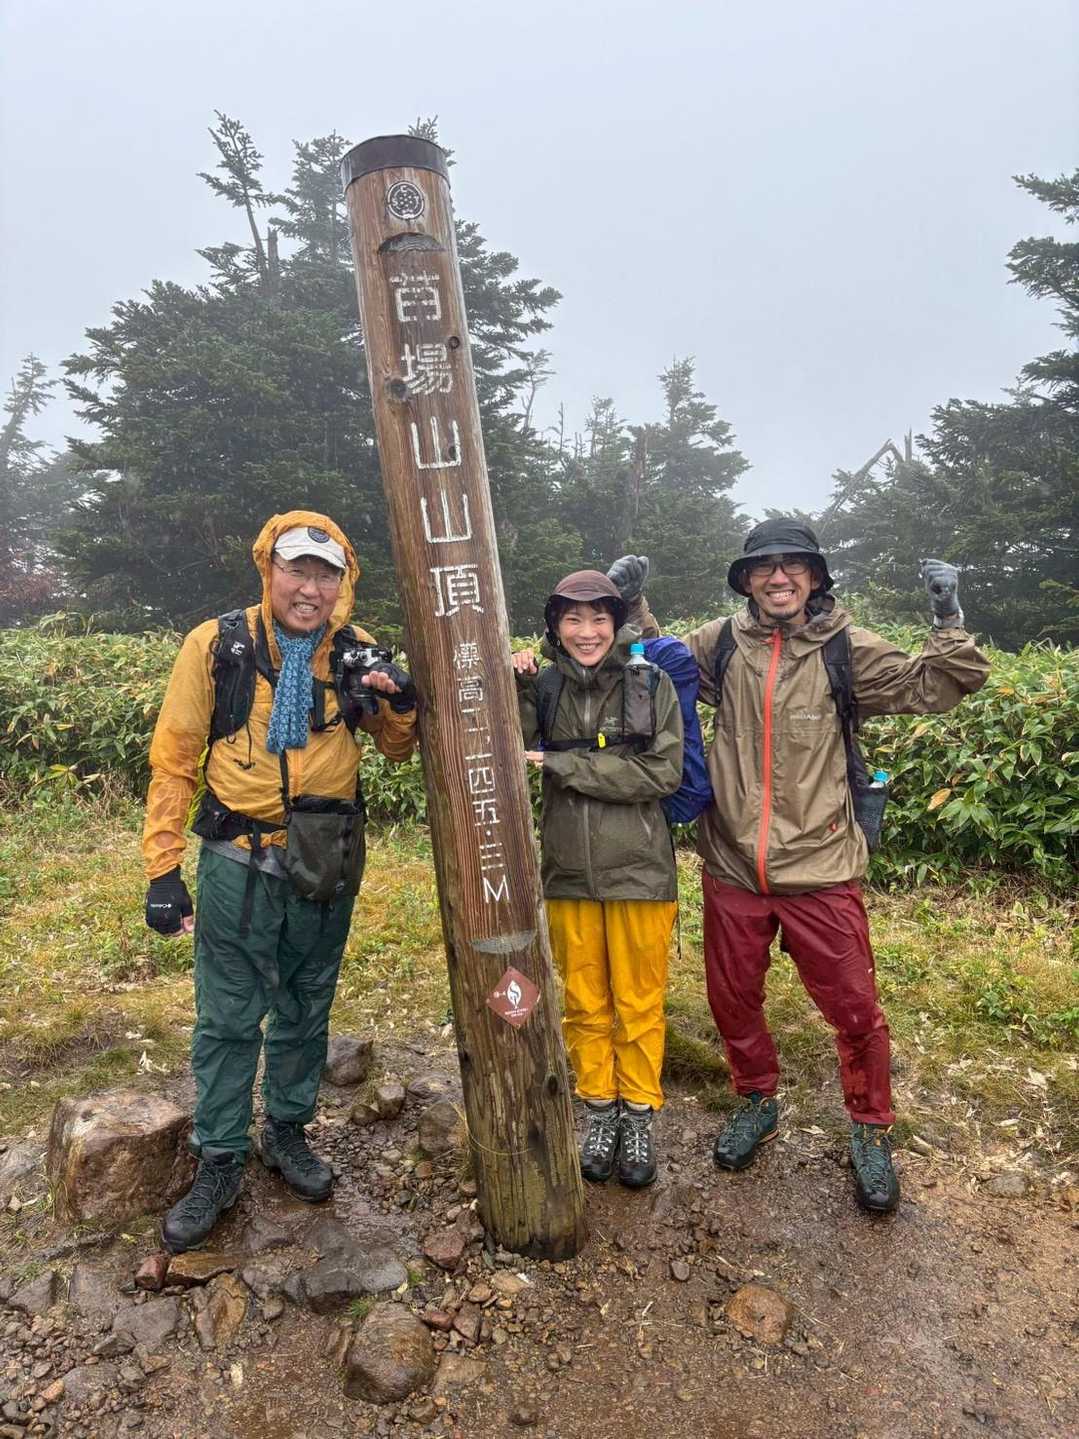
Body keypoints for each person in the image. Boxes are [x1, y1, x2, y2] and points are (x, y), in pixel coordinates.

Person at [607, 521, 989, 1212]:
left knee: (854, 1010)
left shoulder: (846, 647)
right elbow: (657, 668)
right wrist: (632, 607)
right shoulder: (722, 643)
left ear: (813, 577)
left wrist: (947, 616)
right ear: (746, 581)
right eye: (763, 567)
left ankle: (870, 1127)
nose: (778, 577)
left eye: (792, 566)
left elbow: (937, 684)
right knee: (731, 1001)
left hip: (821, 865)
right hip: (732, 863)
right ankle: (756, 1098)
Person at [143, 512, 417, 1252]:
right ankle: (219, 1156)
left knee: (305, 1001)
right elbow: (174, 758)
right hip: (236, 857)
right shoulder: (218, 646)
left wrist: (399, 700)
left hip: (325, 855)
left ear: (342, 584)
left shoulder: (356, 651)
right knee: (229, 1014)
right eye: (297, 569)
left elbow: (396, 748)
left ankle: (287, 1130)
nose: (310, 588)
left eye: (326, 575)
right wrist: (163, 867)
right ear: (268, 567)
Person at [512, 570, 684, 1189]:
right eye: (573, 620)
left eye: (599, 619)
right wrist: (517, 684)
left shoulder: (650, 682)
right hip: (567, 873)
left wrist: (566, 765)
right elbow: (509, 746)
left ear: (617, 624)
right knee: (584, 1002)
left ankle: (638, 1115)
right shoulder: (547, 685)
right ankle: (600, 1111)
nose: (586, 632)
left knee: (638, 1002)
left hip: (640, 872)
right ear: (555, 626)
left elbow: (662, 774)